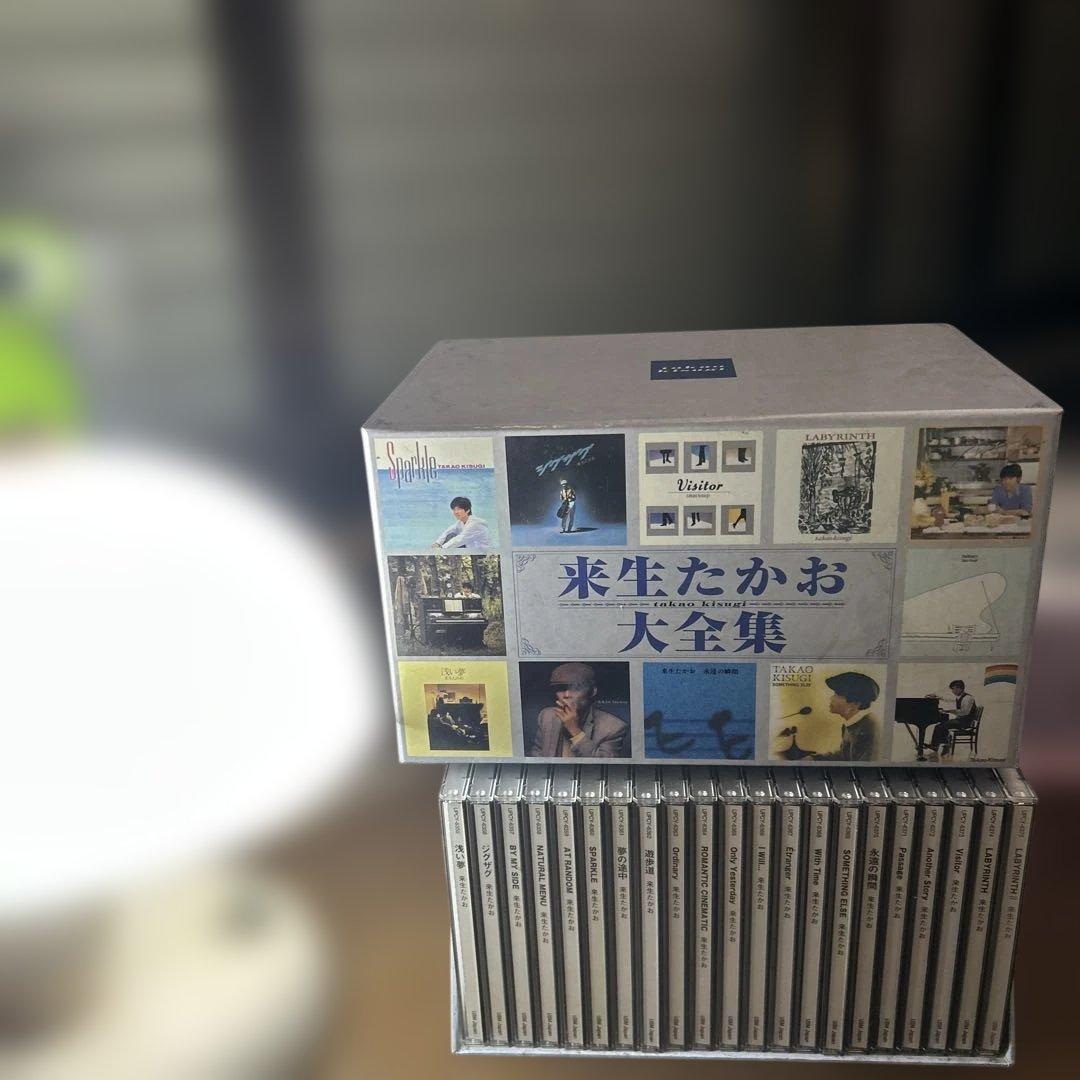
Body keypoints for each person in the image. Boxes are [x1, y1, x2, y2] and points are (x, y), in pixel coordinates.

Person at [528, 662, 628, 758]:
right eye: (561, 688)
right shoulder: (546, 716)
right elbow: (537, 757)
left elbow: (604, 765)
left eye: (576, 688)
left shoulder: (614, 727)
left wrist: (575, 731)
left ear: (592, 691)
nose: (567, 695)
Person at [812, 671, 881, 761]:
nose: (831, 698)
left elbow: (867, 766)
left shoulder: (869, 727)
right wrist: (814, 759)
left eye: (837, 695)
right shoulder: (854, 724)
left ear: (855, 703)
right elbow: (844, 757)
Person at [925, 679, 977, 761]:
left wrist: (948, 711)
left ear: (960, 688)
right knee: (943, 724)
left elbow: (964, 712)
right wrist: (937, 697)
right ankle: (943, 745)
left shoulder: (968, 698)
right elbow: (949, 700)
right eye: (952, 689)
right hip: (962, 720)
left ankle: (938, 746)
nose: (953, 691)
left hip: (965, 722)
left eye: (954, 689)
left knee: (940, 726)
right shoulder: (960, 697)